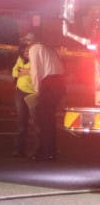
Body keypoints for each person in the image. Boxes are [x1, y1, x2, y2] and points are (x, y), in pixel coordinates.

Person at [25, 32, 65, 161]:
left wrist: (37, 91)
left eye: (27, 41)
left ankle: (45, 151)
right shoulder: (47, 48)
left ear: (31, 42)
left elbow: (36, 71)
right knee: (49, 119)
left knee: (42, 120)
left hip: (49, 83)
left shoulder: (35, 49)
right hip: (59, 82)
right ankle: (50, 150)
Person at [11, 40, 35, 157]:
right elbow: (15, 72)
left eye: (29, 50)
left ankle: (38, 150)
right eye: (25, 50)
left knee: (37, 123)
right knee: (22, 123)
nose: (27, 52)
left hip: (33, 94)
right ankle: (19, 150)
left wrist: (26, 71)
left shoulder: (36, 61)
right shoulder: (20, 59)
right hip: (20, 92)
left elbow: (38, 72)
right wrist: (25, 72)